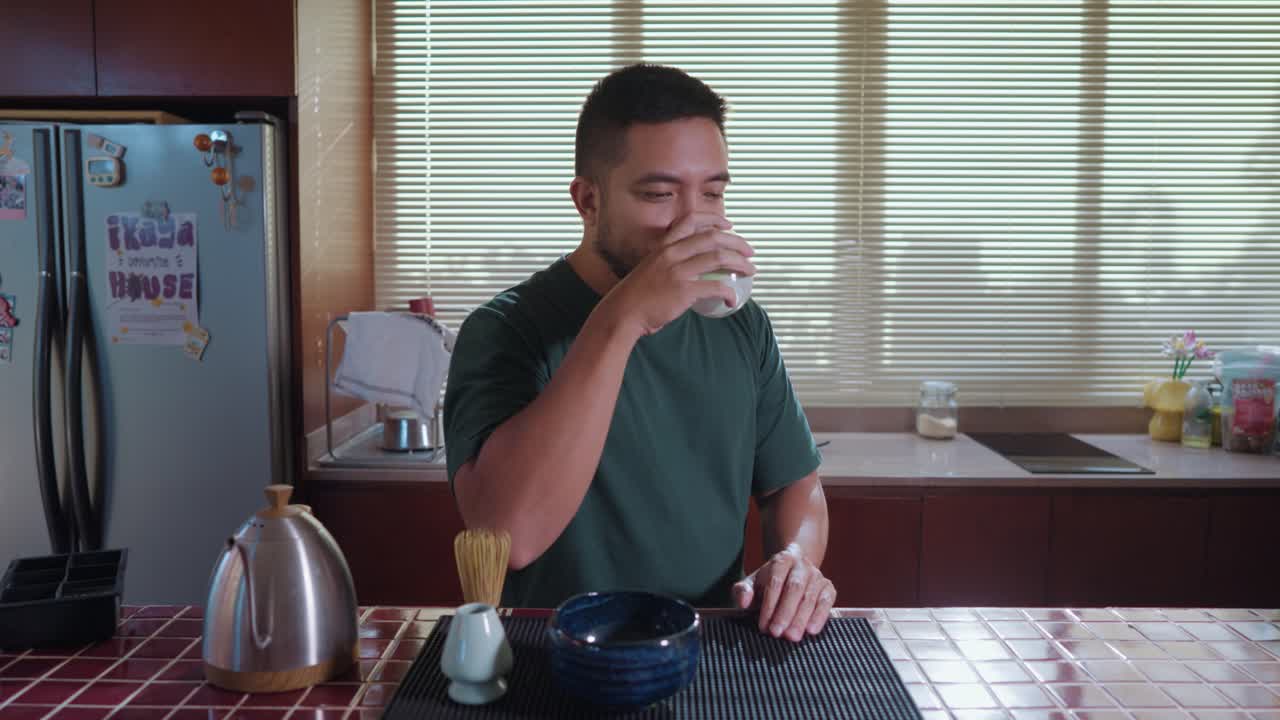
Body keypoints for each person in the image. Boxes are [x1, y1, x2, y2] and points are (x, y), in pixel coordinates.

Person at [444, 63, 836, 642]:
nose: (695, 222)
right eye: (658, 194)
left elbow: (793, 486)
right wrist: (623, 318)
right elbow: (511, 536)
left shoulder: (741, 325)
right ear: (588, 201)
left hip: (710, 648)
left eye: (713, 192)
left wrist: (797, 559)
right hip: (557, 656)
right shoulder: (506, 330)